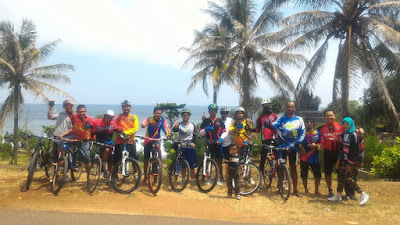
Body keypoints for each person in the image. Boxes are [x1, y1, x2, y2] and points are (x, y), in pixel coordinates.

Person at [328, 117, 369, 205]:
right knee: (340, 177)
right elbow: (342, 149)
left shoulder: (354, 135)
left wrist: (350, 163)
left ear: (351, 124)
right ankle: (338, 195)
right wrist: (338, 161)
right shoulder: (343, 134)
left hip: (352, 161)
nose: (345, 126)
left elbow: (355, 151)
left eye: (347, 124)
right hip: (344, 159)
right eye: (344, 124)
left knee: (348, 178)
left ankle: (363, 194)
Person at [267, 101, 305, 197]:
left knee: (293, 168)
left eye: (292, 107)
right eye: (288, 107)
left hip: (294, 147)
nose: (290, 108)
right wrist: (267, 123)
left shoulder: (299, 120)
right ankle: (280, 188)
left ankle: (295, 190)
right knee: (281, 168)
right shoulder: (281, 120)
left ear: (295, 108)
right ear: (285, 108)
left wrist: (295, 144)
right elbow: (272, 126)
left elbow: (302, 133)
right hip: (281, 147)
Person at [61, 105, 93, 177]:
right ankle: (64, 161)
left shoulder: (89, 119)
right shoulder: (74, 117)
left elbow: (93, 128)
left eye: (83, 111)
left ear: (85, 111)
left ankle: (88, 175)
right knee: (61, 143)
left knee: (86, 158)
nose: (82, 113)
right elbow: (69, 112)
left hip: (84, 139)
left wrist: (92, 138)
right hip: (74, 137)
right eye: (80, 112)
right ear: (77, 112)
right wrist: (69, 106)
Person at [141, 107, 171, 182]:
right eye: (157, 113)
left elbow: (165, 128)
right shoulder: (149, 118)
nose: (158, 115)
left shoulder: (162, 119)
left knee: (158, 147)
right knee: (146, 159)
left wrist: (168, 134)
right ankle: (145, 176)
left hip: (157, 139)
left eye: (160, 113)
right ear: (154, 113)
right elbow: (143, 124)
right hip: (148, 139)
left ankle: (159, 162)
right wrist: (143, 125)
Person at [199, 103, 225, 185]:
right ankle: (208, 177)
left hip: (217, 143)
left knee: (218, 161)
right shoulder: (205, 121)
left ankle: (218, 178)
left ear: (216, 112)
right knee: (208, 161)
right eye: (211, 111)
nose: (212, 112)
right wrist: (206, 130)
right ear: (209, 111)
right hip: (208, 143)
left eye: (214, 111)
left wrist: (221, 139)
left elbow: (224, 132)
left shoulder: (220, 121)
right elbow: (200, 133)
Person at [319, 110, 343, 197]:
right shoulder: (321, 129)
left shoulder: (341, 127)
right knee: (328, 173)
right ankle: (330, 190)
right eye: (327, 116)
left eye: (331, 115)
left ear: (335, 116)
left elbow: (351, 130)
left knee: (340, 173)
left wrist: (360, 130)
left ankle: (340, 191)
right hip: (328, 153)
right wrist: (318, 146)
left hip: (339, 153)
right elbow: (320, 141)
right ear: (324, 118)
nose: (329, 117)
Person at [90, 110, 117, 182]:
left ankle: (110, 176)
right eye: (108, 117)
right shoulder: (96, 122)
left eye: (111, 117)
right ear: (105, 116)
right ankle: (105, 171)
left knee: (111, 160)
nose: (109, 119)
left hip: (109, 143)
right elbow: (89, 126)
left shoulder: (113, 124)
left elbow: (118, 130)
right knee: (103, 155)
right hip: (100, 142)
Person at [172, 109, 197, 183]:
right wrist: (175, 127)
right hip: (182, 146)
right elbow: (174, 131)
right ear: (182, 116)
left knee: (192, 164)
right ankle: (183, 179)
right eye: (184, 115)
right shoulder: (179, 125)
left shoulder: (192, 125)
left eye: (188, 115)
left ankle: (192, 179)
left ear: (189, 117)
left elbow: (195, 135)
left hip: (190, 146)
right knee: (183, 164)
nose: (186, 116)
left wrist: (193, 142)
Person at [255, 98, 279, 174]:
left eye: (268, 106)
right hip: (265, 139)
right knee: (263, 158)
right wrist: (249, 129)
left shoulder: (276, 116)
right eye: (264, 106)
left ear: (271, 106)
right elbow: (257, 130)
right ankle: (261, 176)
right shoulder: (260, 117)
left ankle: (279, 175)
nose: (266, 107)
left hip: (275, 139)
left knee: (278, 158)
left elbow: (280, 126)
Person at [299, 118, 322, 196]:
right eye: (307, 122)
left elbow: (321, 142)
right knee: (304, 175)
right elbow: (298, 143)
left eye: (311, 122)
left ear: (313, 124)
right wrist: (300, 150)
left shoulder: (318, 133)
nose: (309, 123)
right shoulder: (302, 133)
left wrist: (317, 146)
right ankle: (306, 190)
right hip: (304, 157)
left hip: (314, 157)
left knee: (318, 175)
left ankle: (316, 190)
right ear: (305, 124)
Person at [114, 100, 139, 166]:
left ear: (130, 107)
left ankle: (136, 174)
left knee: (134, 158)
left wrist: (126, 132)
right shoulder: (118, 116)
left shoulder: (134, 117)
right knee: (117, 159)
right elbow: (114, 125)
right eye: (124, 106)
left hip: (130, 140)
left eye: (128, 106)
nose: (126, 108)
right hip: (119, 140)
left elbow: (135, 128)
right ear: (122, 108)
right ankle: (114, 174)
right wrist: (117, 128)